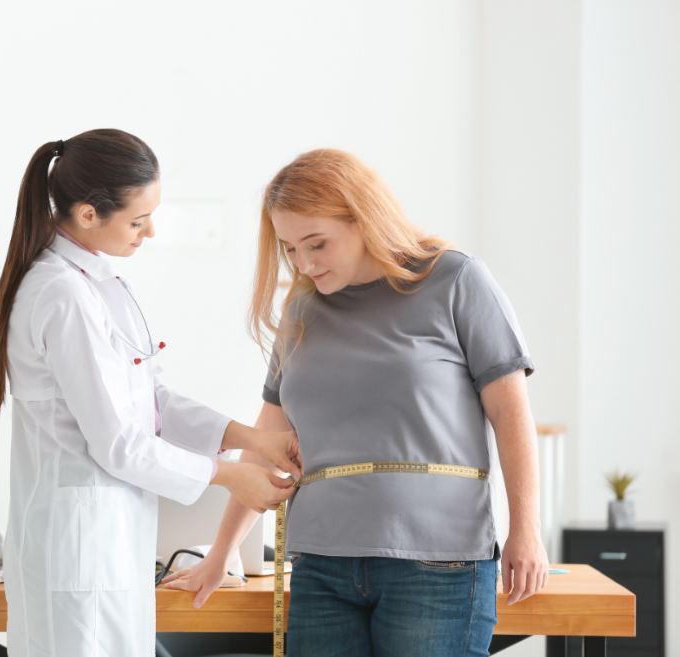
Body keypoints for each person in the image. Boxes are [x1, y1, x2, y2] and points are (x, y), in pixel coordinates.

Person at [163, 148, 549, 657]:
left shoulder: (454, 280)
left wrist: (526, 528)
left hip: (437, 562)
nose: (303, 263)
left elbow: (511, 414)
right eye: (290, 249)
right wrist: (222, 552)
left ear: (364, 217)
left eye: (317, 243)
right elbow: (266, 443)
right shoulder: (302, 308)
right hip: (322, 565)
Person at [0, 128, 302, 657]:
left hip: (109, 545)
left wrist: (250, 439)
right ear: (86, 214)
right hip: (76, 553)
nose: (149, 232)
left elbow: (154, 403)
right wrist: (229, 475)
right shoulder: (61, 293)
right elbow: (119, 444)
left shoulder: (100, 285)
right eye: (136, 220)